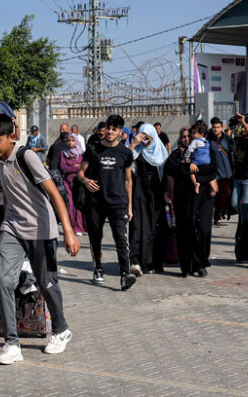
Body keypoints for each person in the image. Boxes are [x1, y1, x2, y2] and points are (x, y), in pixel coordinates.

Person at [0, 114, 80, 366]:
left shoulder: (26, 156)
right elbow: (4, 190)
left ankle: (61, 330)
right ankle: (12, 343)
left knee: (46, 283)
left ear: (11, 137)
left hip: (41, 230)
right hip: (13, 228)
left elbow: (53, 194)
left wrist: (68, 231)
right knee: (4, 281)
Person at [77, 114, 136, 290]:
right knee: (96, 237)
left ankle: (125, 275)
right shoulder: (93, 149)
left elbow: (128, 180)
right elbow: (80, 173)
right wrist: (85, 180)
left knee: (121, 238)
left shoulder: (125, 153)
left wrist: (130, 205)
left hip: (118, 202)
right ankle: (98, 268)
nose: (110, 132)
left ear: (120, 132)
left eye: (114, 129)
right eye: (108, 128)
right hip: (95, 202)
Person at [166, 127, 213, 277]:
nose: (186, 139)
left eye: (189, 136)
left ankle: (200, 263)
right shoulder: (176, 155)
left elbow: (210, 171)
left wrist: (192, 170)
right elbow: (171, 170)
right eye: (183, 136)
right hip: (182, 198)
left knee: (201, 231)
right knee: (184, 232)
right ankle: (185, 266)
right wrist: (187, 167)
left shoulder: (203, 153)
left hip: (201, 197)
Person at [128, 123, 170, 275]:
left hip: (156, 194)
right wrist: (134, 144)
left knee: (155, 228)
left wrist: (168, 193)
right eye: (142, 135)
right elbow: (124, 161)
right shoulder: (137, 151)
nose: (146, 139)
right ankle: (135, 261)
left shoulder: (161, 151)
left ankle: (152, 262)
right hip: (139, 193)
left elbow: (167, 173)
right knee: (138, 226)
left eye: (148, 136)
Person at [230, 114, 248, 209]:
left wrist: (243, 122)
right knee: (234, 203)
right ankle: (244, 218)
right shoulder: (238, 140)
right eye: (241, 127)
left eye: (244, 127)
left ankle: (245, 221)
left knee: (246, 205)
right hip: (238, 177)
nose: (242, 129)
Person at [182, 121, 219, 199]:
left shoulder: (195, 141)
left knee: (191, 172)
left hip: (198, 163)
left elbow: (190, 149)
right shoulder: (207, 142)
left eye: (193, 133)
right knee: (211, 177)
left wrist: (186, 157)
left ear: (201, 133)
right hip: (207, 163)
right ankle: (213, 187)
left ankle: (196, 184)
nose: (192, 135)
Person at [59, 133, 86, 235]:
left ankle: (81, 226)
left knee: (80, 203)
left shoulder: (81, 153)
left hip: (79, 182)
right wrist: (76, 167)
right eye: (69, 141)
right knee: (71, 204)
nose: (70, 143)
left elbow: (84, 166)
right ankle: (74, 227)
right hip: (68, 182)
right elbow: (63, 168)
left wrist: (76, 167)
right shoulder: (64, 153)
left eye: (72, 140)